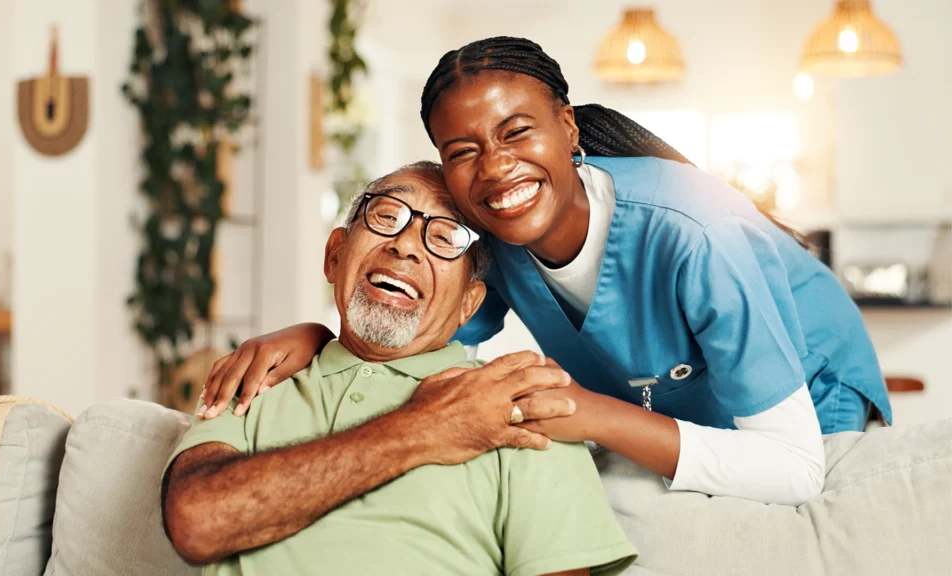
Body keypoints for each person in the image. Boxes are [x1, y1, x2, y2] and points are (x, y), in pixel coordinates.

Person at [200, 37, 891, 506]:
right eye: (463, 150)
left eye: (517, 132)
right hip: (677, 411)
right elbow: (425, 331)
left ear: (567, 127)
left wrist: (591, 413)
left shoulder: (700, 235)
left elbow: (794, 468)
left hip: (810, 398)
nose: (496, 169)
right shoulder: (493, 242)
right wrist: (317, 335)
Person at [162, 162, 638, 576]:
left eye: (446, 237)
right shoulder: (255, 380)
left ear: (469, 305)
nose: (406, 247)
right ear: (334, 256)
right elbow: (197, 523)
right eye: (387, 217)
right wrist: (425, 428)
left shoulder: (521, 405)